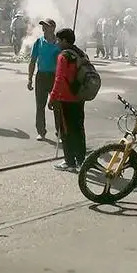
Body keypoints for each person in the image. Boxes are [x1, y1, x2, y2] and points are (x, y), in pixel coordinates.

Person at [48, 27, 89, 171]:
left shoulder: (63, 56)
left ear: (65, 41)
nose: (57, 43)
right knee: (79, 128)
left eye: (59, 40)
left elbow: (59, 79)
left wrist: (52, 98)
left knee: (66, 131)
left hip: (66, 99)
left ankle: (69, 162)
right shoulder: (81, 53)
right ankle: (81, 160)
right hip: (79, 97)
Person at [26, 18, 59, 141]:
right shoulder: (39, 42)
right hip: (41, 76)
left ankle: (59, 131)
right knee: (40, 105)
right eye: (43, 26)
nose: (44, 28)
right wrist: (29, 78)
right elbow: (33, 61)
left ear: (53, 28)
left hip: (55, 77)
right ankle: (41, 131)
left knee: (57, 105)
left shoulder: (59, 44)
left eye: (46, 26)